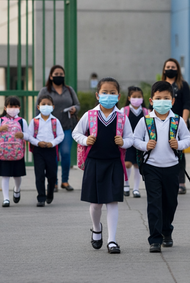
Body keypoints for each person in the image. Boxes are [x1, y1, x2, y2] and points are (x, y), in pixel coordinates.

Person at [72, 77, 134, 254]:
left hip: (114, 162)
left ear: (119, 96)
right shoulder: (89, 115)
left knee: (112, 202)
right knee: (95, 204)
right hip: (94, 162)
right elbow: (76, 133)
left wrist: (123, 142)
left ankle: (112, 240)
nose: (108, 95)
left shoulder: (122, 117)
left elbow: (131, 139)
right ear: (97, 95)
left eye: (112, 93)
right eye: (104, 92)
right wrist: (85, 139)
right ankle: (96, 229)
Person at [134, 81, 190, 252]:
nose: (162, 101)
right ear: (151, 101)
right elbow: (135, 139)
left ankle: (167, 230)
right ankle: (155, 239)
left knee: (170, 202)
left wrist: (179, 144)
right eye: (158, 98)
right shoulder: (145, 120)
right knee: (154, 203)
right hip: (151, 167)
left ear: (172, 101)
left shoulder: (177, 120)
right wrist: (145, 145)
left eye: (166, 98)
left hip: (172, 167)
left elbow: (188, 139)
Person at [37, 65, 80, 192]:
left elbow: (77, 104)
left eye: (61, 74)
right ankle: (53, 181)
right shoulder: (45, 91)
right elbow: (37, 108)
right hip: (50, 129)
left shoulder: (69, 90)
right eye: (56, 74)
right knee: (53, 156)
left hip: (66, 126)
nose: (59, 76)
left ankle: (65, 181)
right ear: (51, 76)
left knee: (65, 153)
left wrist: (74, 109)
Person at [0, 96, 30, 208]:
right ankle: (6, 198)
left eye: (15, 106)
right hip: (4, 153)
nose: (13, 108)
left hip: (17, 152)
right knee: (5, 175)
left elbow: (28, 136)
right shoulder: (0, 120)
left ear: (19, 108)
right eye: (10, 106)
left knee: (17, 176)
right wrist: (0, 129)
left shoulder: (22, 121)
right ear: (5, 107)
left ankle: (17, 189)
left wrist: (22, 135)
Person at [28, 95, 65, 207]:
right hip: (38, 151)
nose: (46, 106)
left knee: (52, 175)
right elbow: (29, 136)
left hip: (51, 150)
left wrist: (52, 143)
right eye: (43, 104)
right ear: (38, 107)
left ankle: (50, 194)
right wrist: (37, 143)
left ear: (53, 107)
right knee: (39, 175)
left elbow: (61, 135)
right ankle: (41, 198)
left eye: (48, 104)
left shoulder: (55, 121)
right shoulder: (34, 121)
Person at [161, 58, 190, 194]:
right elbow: (151, 106)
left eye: (173, 67)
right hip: (161, 123)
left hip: (178, 123)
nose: (170, 69)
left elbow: (186, 104)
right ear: (164, 69)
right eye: (168, 66)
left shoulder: (183, 85)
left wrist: (183, 121)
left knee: (179, 152)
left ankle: (181, 182)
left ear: (177, 69)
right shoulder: (160, 86)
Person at [122, 86, 148, 198]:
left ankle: (136, 189)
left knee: (138, 165)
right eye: (134, 97)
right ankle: (126, 185)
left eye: (139, 97)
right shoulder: (124, 111)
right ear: (129, 98)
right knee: (127, 163)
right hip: (128, 141)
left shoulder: (146, 112)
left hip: (140, 142)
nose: (137, 99)